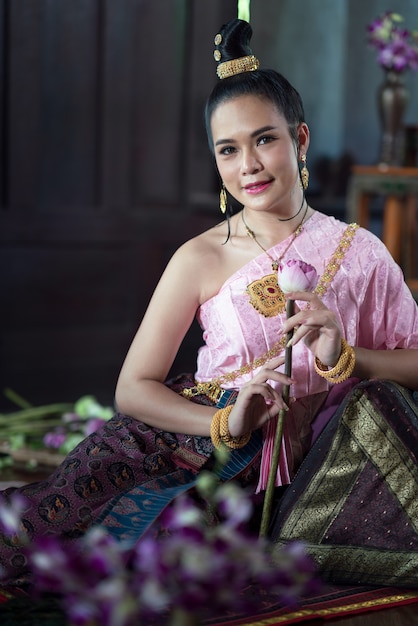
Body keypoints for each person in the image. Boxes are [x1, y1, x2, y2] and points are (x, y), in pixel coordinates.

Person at [1, 17, 418, 588]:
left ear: (299, 139)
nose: (247, 164)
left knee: (166, 561)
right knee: (51, 529)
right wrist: (225, 420)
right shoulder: (199, 257)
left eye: (264, 139)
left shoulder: (359, 251)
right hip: (195, 437)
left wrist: (346, 356)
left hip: (315, 469)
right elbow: (133, 389)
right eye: (228, 149)